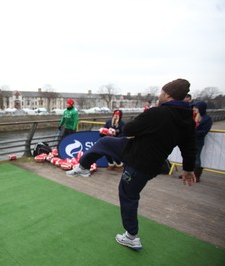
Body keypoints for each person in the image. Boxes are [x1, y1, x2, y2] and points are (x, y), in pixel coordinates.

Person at [66, 78, 196, 250]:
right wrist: (188, 168)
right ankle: (83, 167)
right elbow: (189, 146)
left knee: (128, 195)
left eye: (162, 93)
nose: (159, 96)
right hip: (140, 155)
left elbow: (129, 129)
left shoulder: (158, 113)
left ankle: (131, 236)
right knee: (105, 143)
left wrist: (151, 113)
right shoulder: (186, 121)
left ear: (168, 96)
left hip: (139, 162)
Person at [191, 101, 212, 182]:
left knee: (196, 158)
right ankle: (187, 172)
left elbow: (204, 131)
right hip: (190, 140)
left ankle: (196, 175)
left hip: (198, 140)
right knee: (188, 156)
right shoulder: (193, 116)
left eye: (196, 108)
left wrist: (193, 132)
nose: (194, 109)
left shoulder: (207, 119)